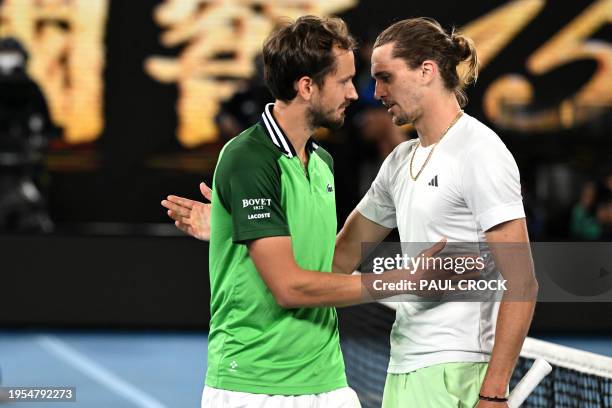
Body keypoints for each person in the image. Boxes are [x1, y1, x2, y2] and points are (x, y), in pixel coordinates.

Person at [164, 17, 537, 408]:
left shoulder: (479, 151)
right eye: (357, 81)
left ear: (427, 71)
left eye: (385, 78)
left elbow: (522, 281)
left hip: (454, 370)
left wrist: (493, 392)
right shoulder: (397, 162)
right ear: (306, 87)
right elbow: (335, 260)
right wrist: (232, 230)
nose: (370, 94)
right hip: (393, 367)